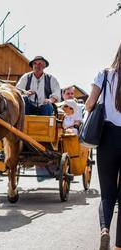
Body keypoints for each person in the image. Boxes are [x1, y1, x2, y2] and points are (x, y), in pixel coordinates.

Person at [85, 43, 121, 250]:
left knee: (107, 194)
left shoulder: (105, 74)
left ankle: (105, 230)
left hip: (107, 137)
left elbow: (89, 104)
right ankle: (118, 246)